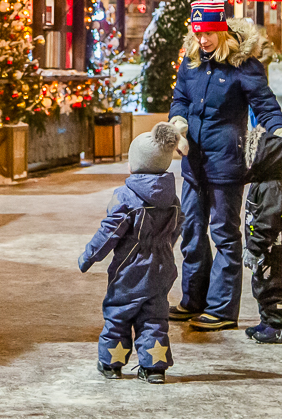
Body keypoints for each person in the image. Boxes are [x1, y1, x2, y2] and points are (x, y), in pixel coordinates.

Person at [168, 0, 282, 331]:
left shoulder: (243, 65)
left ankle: (222, 309)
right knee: (192, 233)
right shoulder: (191, 62)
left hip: (225, 164)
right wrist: (178, 122)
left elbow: (265, 106)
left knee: (224, 234)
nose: (203, 39)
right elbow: (180, 98)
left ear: (222, 30)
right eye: (198, 32)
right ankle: (193, 299)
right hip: (192, 163)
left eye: (209, 32)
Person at [79, 122, 186, 384]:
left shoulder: (126, 196)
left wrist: (89, 256)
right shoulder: (172, 198)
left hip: (130, 269)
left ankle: (111, 363)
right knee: (154, 316)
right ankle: (154, 368)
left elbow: (110, 231)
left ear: (135, 165)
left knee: (119, 311)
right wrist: (164, 247)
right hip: (162, 267)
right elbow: (178, 225)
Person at [242, 125, 282, 344]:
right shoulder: (263, 182)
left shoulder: (272, 188)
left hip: (274, 252)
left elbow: (268, 222)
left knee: (273, 288)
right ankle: (268, 322)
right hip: (266, 250)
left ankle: (279, 328)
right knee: (262, 287)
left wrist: (255, 247)